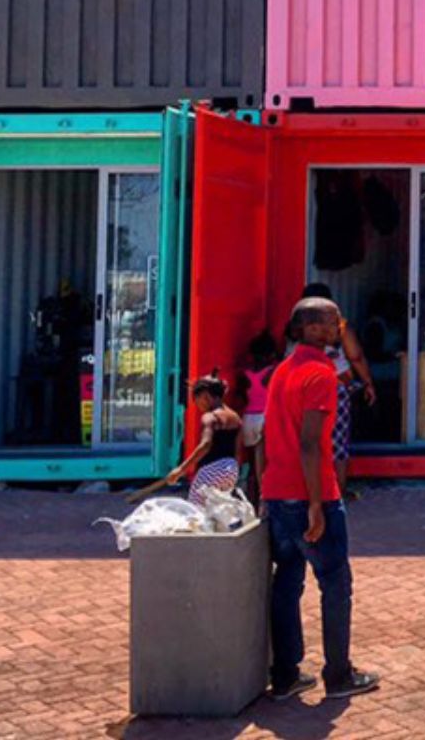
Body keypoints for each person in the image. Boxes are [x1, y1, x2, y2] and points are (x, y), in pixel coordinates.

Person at [261, 296, 380, 702]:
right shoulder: (321, 375)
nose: (339, 328)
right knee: (335, 583)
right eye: (333, 322)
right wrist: (316, 503)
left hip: (277, 494)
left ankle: (285, 674)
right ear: (313, 329)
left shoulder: (281, 372)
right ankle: (339, 674)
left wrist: (267, 491)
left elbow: (264, 437)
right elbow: (311, 444)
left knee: (287, 583)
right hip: (311, 495)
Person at [293, 283, 376, 499]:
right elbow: (355, 356)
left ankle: (307, 491)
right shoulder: (338, 328)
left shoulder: (294, 328)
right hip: (334, 388)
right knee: (337, 443)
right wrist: (368, 383)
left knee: (306, 441)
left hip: (298, 388)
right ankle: (336, 491)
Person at [167, 375, 243, 507]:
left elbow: (206, 444)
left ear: (205, 396)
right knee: (218, 510)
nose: (197, 405)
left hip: (210, 470)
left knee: (195, 510)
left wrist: (181, 470)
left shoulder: (209, 417)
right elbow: (238, 450)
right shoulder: (235, 417)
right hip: (231, 469)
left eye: (196, 400)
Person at [238, 331, 280, 505]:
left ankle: (251, 500)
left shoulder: (245, 373)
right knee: (265, 465)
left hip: (248, 418)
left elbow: (243, 396)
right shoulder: (273, 371)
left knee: (252, 466)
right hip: (265, 418)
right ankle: (265, 500)